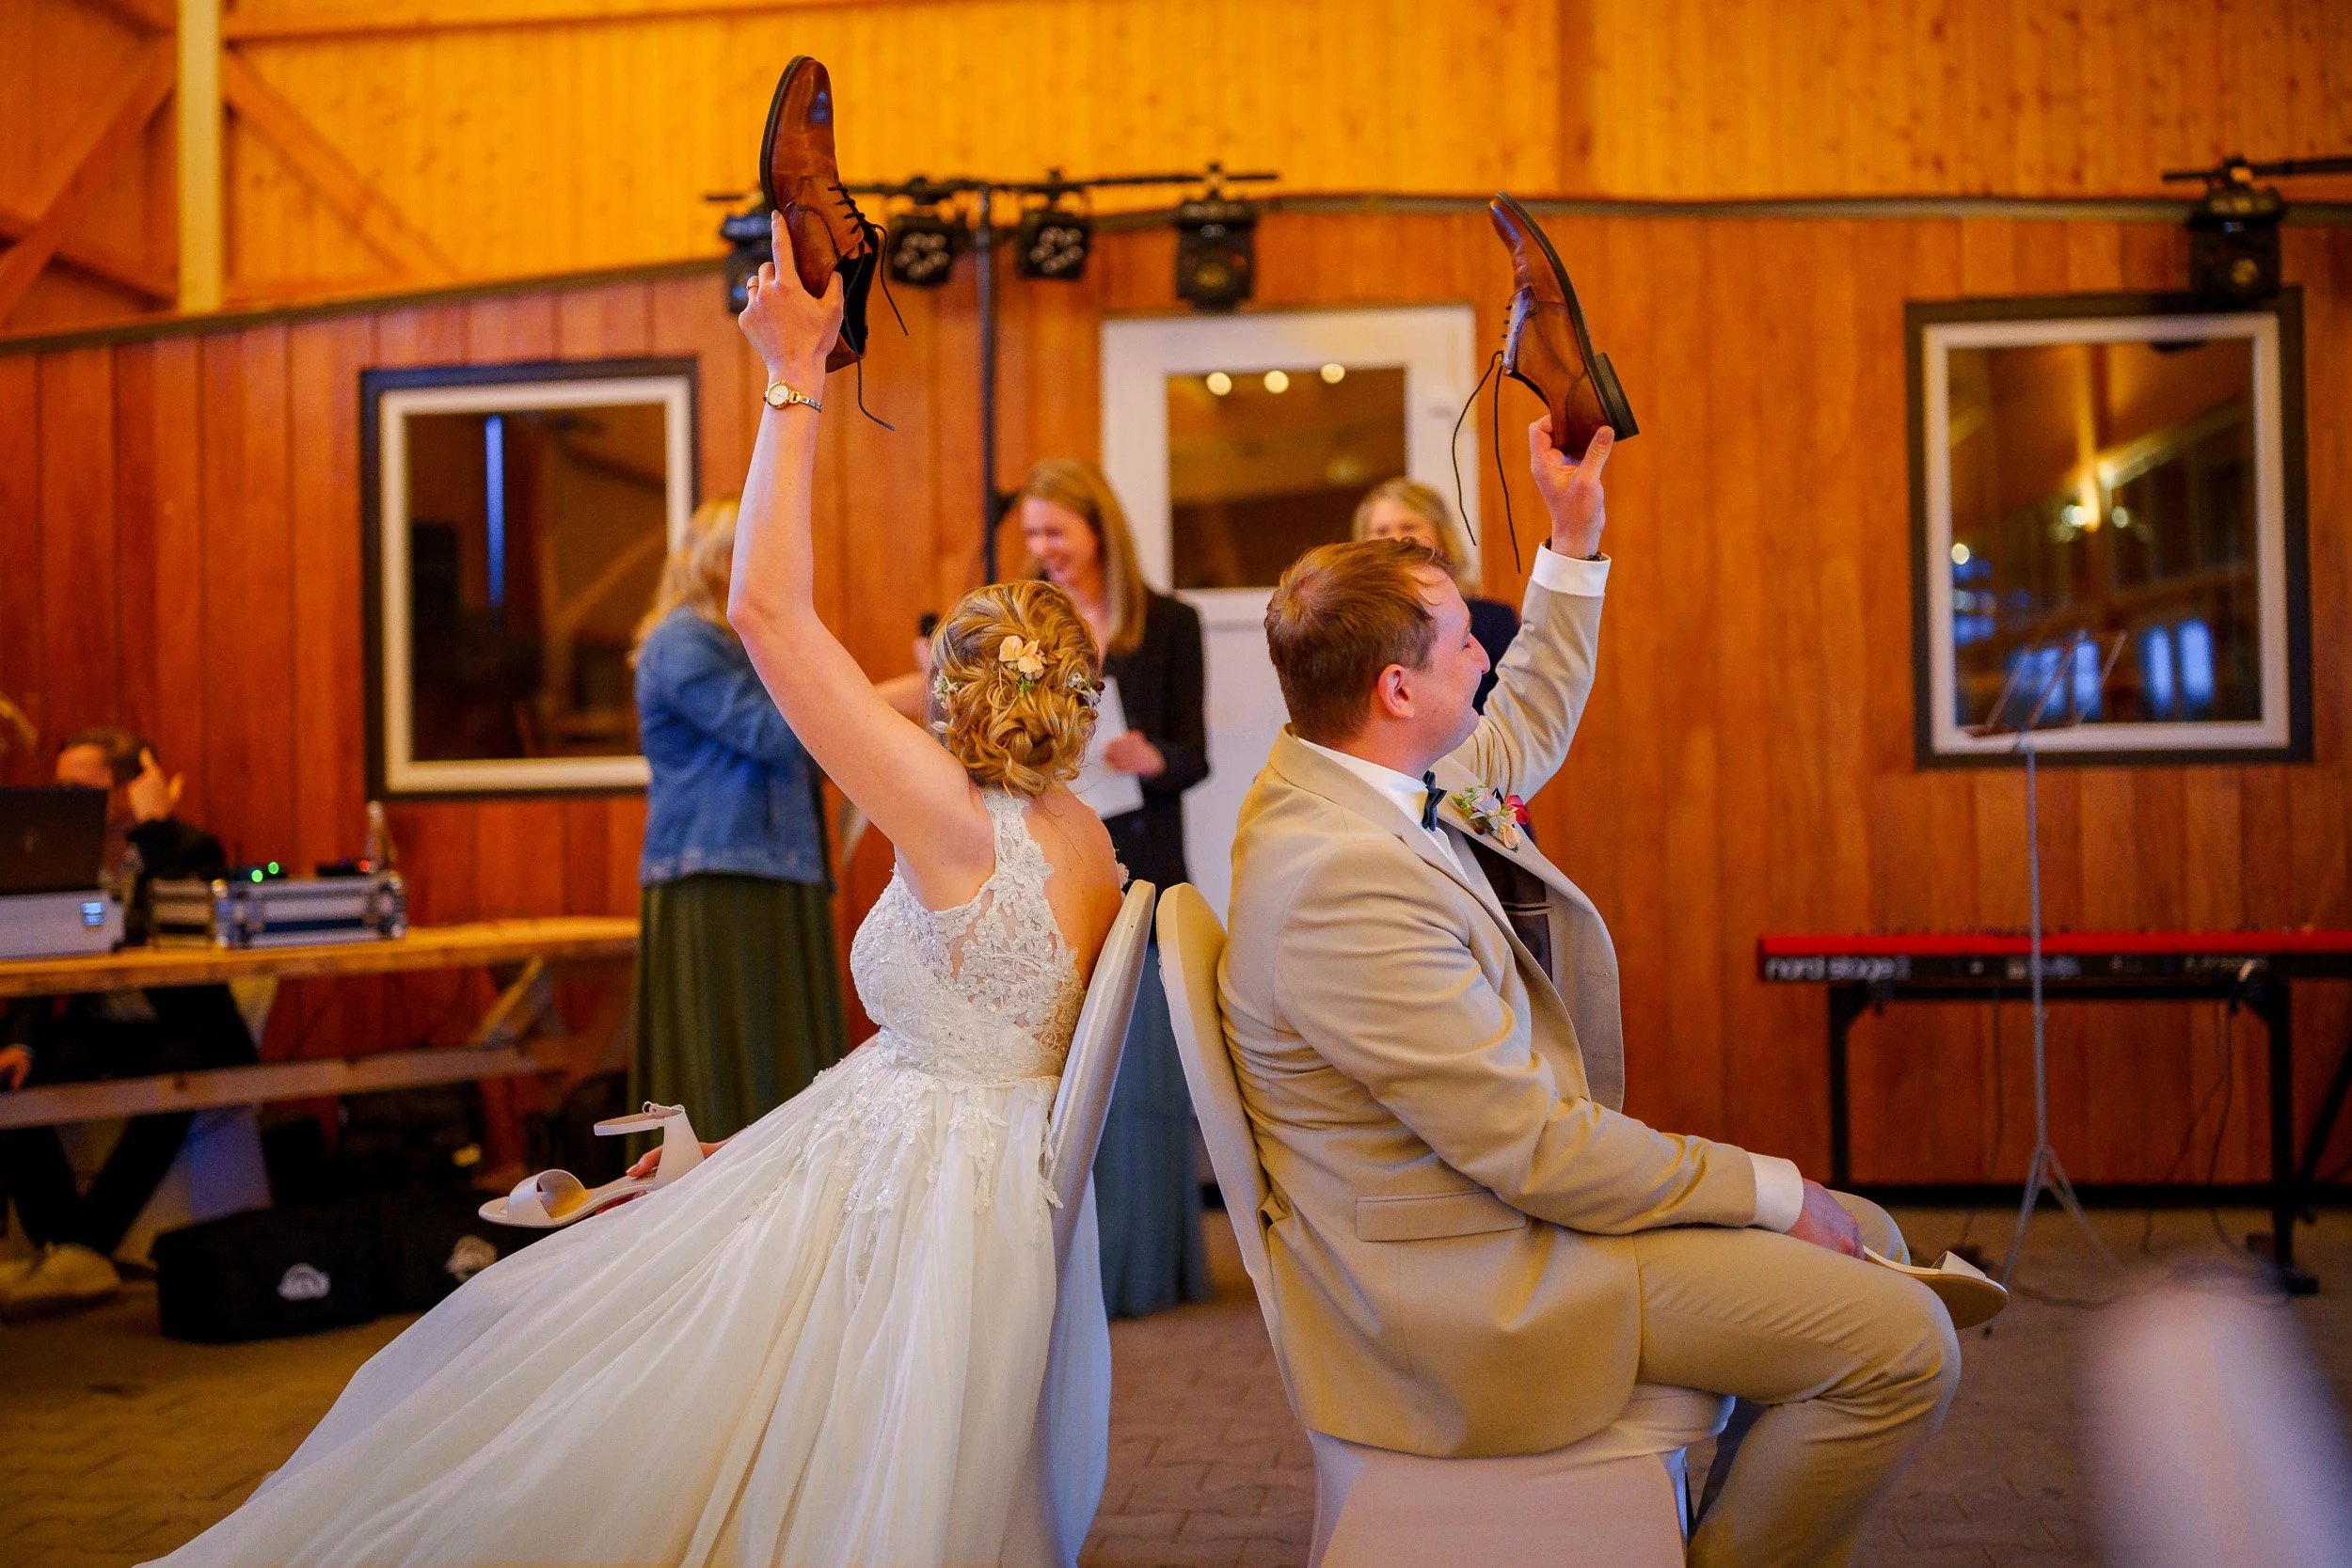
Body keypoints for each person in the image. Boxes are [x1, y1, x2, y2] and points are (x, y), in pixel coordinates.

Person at [151, 208, 1126, 1568]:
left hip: (921, 1215)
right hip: (966, 1196)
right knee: (672, 1222)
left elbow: (772, 616)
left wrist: (796, 375)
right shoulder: (1089, 840)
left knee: (600, 1337)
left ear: (959, 692)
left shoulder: (948, 820)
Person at [1222, 418, 1958, 1568]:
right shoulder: (1339, 877)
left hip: (1490, 1214)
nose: (1488, 656)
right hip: (1463, 1281)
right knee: (1905, 1338)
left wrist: (1573, 535)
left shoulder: (1352, 776)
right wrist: (1767, 1187)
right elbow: (1533, 1149)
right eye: (1468, 640)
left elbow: (1527, 718)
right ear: (1398, 683)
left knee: (1864, 1234)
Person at [1017, 456, 1214, 1318]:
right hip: (1057, 856)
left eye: (1055, 530)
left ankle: (1147, 1261)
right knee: (1063, 1063)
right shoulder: (1028, 620)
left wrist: (1153, 757)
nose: (1042, 547)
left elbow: (1195, 753)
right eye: (1030, 533)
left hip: (1144, 855)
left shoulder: (1169, 622)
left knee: (1145, 1069)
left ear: (1100, 529)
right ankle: (1068, 1266)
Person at [0, 731, 256, 1316]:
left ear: (126, 787)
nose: (62, 798)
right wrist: (20, 1040)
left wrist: (155, 825)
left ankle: (78, 1252)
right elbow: (45, 957)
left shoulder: (186, 846)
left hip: (180, 1029)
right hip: (98, 1027)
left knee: (172, 1080)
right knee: (12, 1079)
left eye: (79, 786)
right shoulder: (59, 857)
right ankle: (72, 1248)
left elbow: (195, 909)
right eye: (58, 785)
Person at [631, 496, 845, 1140]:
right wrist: (899, 696)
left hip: (772, 867)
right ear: (715, 560)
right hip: (719, 875)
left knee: (779, 1057)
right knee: (728, 1059)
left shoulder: (749, 642)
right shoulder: (683, 642)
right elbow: (775, 731)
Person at [1353, 476, 1518, 710]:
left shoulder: (1495, 621)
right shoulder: (1352, 627)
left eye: (1409, 527)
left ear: (1441, 536)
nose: (1396, 540)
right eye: (1381, 530)